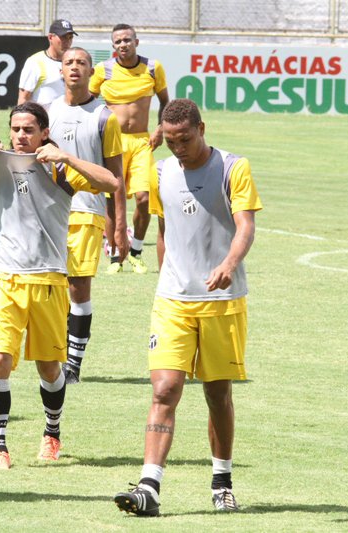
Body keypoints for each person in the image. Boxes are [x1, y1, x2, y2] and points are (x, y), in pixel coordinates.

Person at [113, 99, 262, 516]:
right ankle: (149, 488)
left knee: (217, 394)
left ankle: (222, 482)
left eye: (185, 139)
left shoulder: (233, 168)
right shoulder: (160, 172)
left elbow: (246, 225)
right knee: (164, 389)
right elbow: (164, 231)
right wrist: (166, 280)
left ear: (201, 128)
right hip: (173, 302)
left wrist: (229, 264)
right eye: (171, 141)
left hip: (221, 302)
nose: (178, 148)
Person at [0, 102, 117, 470]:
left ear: (44, 133)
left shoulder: (60, 168)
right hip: (4, 280)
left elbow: (110, 182)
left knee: (48, 368)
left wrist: (68, 157)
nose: (20, 136)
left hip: (49, 281)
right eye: (16, 129)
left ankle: (52, 433)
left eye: (29, 130)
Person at [47, 47, 127, 384]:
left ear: (91, 72)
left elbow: (115, 177)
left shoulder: (104, 117)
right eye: (69, 62)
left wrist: (118, 226)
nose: (75, 67)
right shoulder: (47, 111)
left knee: (78, 286)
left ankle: (73, 365)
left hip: (86, 210)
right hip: (49, 211)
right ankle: (58, 351)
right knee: (51, 286)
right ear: (61, 71)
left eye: (81, 62)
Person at [89, 23, 169, 275]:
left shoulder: (153, 68)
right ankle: (115, 257)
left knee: (144, 199)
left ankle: (136, 252)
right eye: (118, 41)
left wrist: (160, 129)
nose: (122, 44)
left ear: (136, 42)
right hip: (113, 143)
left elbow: (165, 102)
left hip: (142, 142)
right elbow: (87, 102)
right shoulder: (103, 70)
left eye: (127, 40)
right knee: (113, 200)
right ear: (113, 45)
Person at [17, 19, 77, 108]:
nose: (67, 42)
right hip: (42, 116)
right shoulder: (35, 62)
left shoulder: (75, 62)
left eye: (70, 37)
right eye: (63, 37)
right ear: (50, 37)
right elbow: (23, 99)